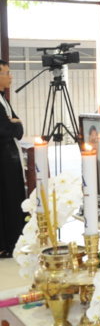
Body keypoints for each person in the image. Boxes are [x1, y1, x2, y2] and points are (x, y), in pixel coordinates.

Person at [0, 60, 25, 258]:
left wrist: (16, 124)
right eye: (7, 73)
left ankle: (12, 241)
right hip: (3, 159)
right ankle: (6, 244)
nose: (11, 76)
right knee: (5, 199)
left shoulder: (3, 99)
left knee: (12, 198)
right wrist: (16, 124)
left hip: (9, 157)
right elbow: (5, 130)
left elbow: (19, 128)